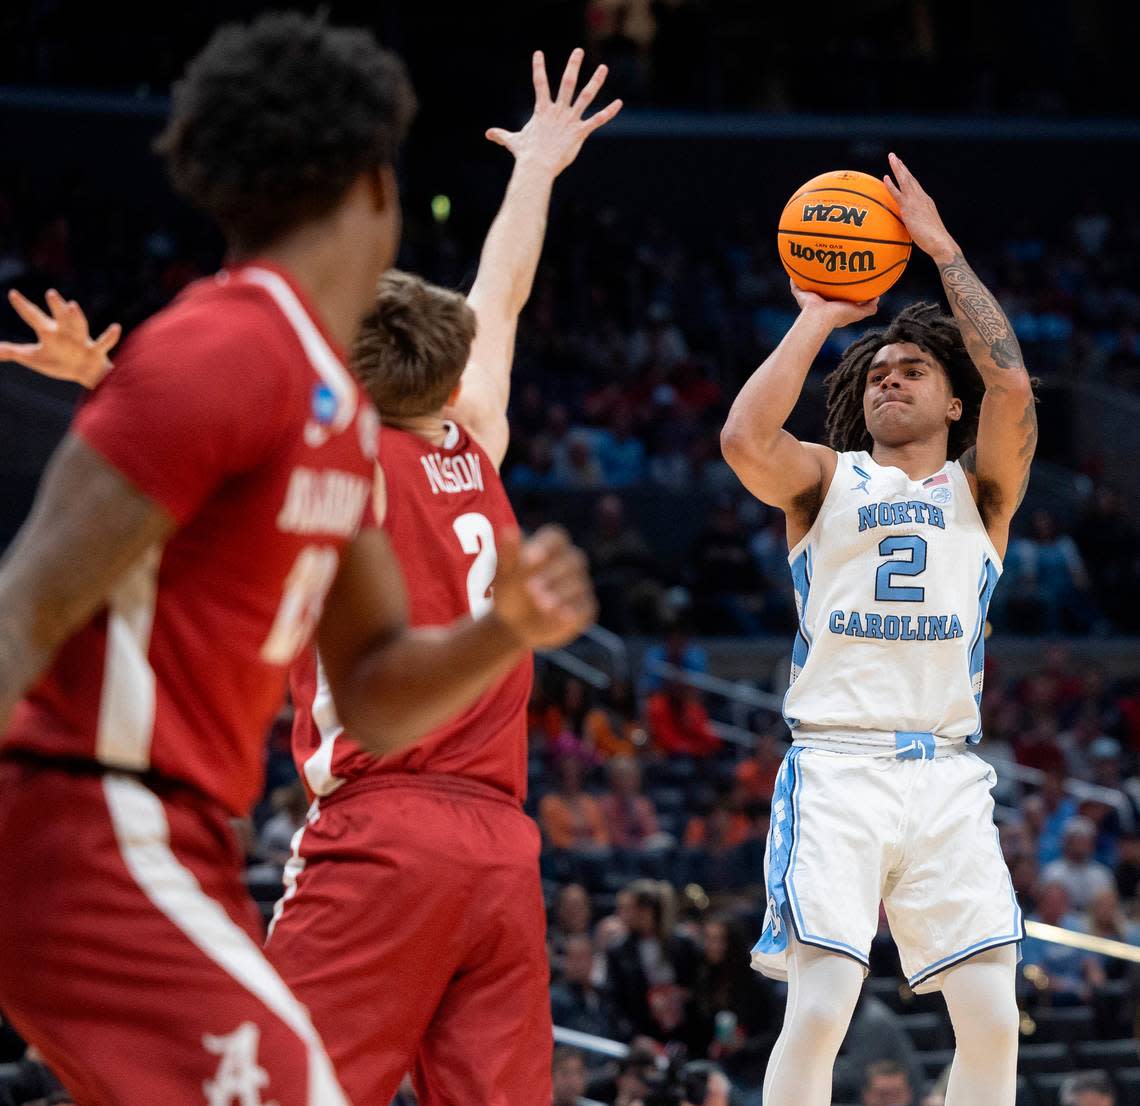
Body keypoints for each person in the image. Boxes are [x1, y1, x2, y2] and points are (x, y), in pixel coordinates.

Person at [0, 18, 595, 1106]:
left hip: (315, 824)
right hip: (126, 826)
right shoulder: (342, 395)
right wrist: (539, 170)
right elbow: (30, 601)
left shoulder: (327, 425)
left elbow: (370, 679)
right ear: (374, 190)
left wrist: (504, 628)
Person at [266, 49, 620, 1106]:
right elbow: (499, 294)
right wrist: (539, 168)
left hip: (385, 828)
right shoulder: (477, 432)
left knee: (273, 1088)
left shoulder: (340, 464)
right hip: (504, 845)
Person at [722, 154, 1036, 1106]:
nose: (888, 383)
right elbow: (743, 440)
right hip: (838, 766)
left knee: (990, 1015)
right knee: (820, 1010)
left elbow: (1014, 383)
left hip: (945, 769)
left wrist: (940, 251)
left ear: (953, 402)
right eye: (879, 375)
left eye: (914, 372)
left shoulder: (981, 492)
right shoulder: (827, 480)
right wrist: (818, 316)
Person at [1040, 816, 1115, 911]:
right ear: (1066, 843)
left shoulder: (1101, 874)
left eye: (1085, 841)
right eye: (1077, 840)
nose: (1081, 846)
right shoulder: (1052, 871)